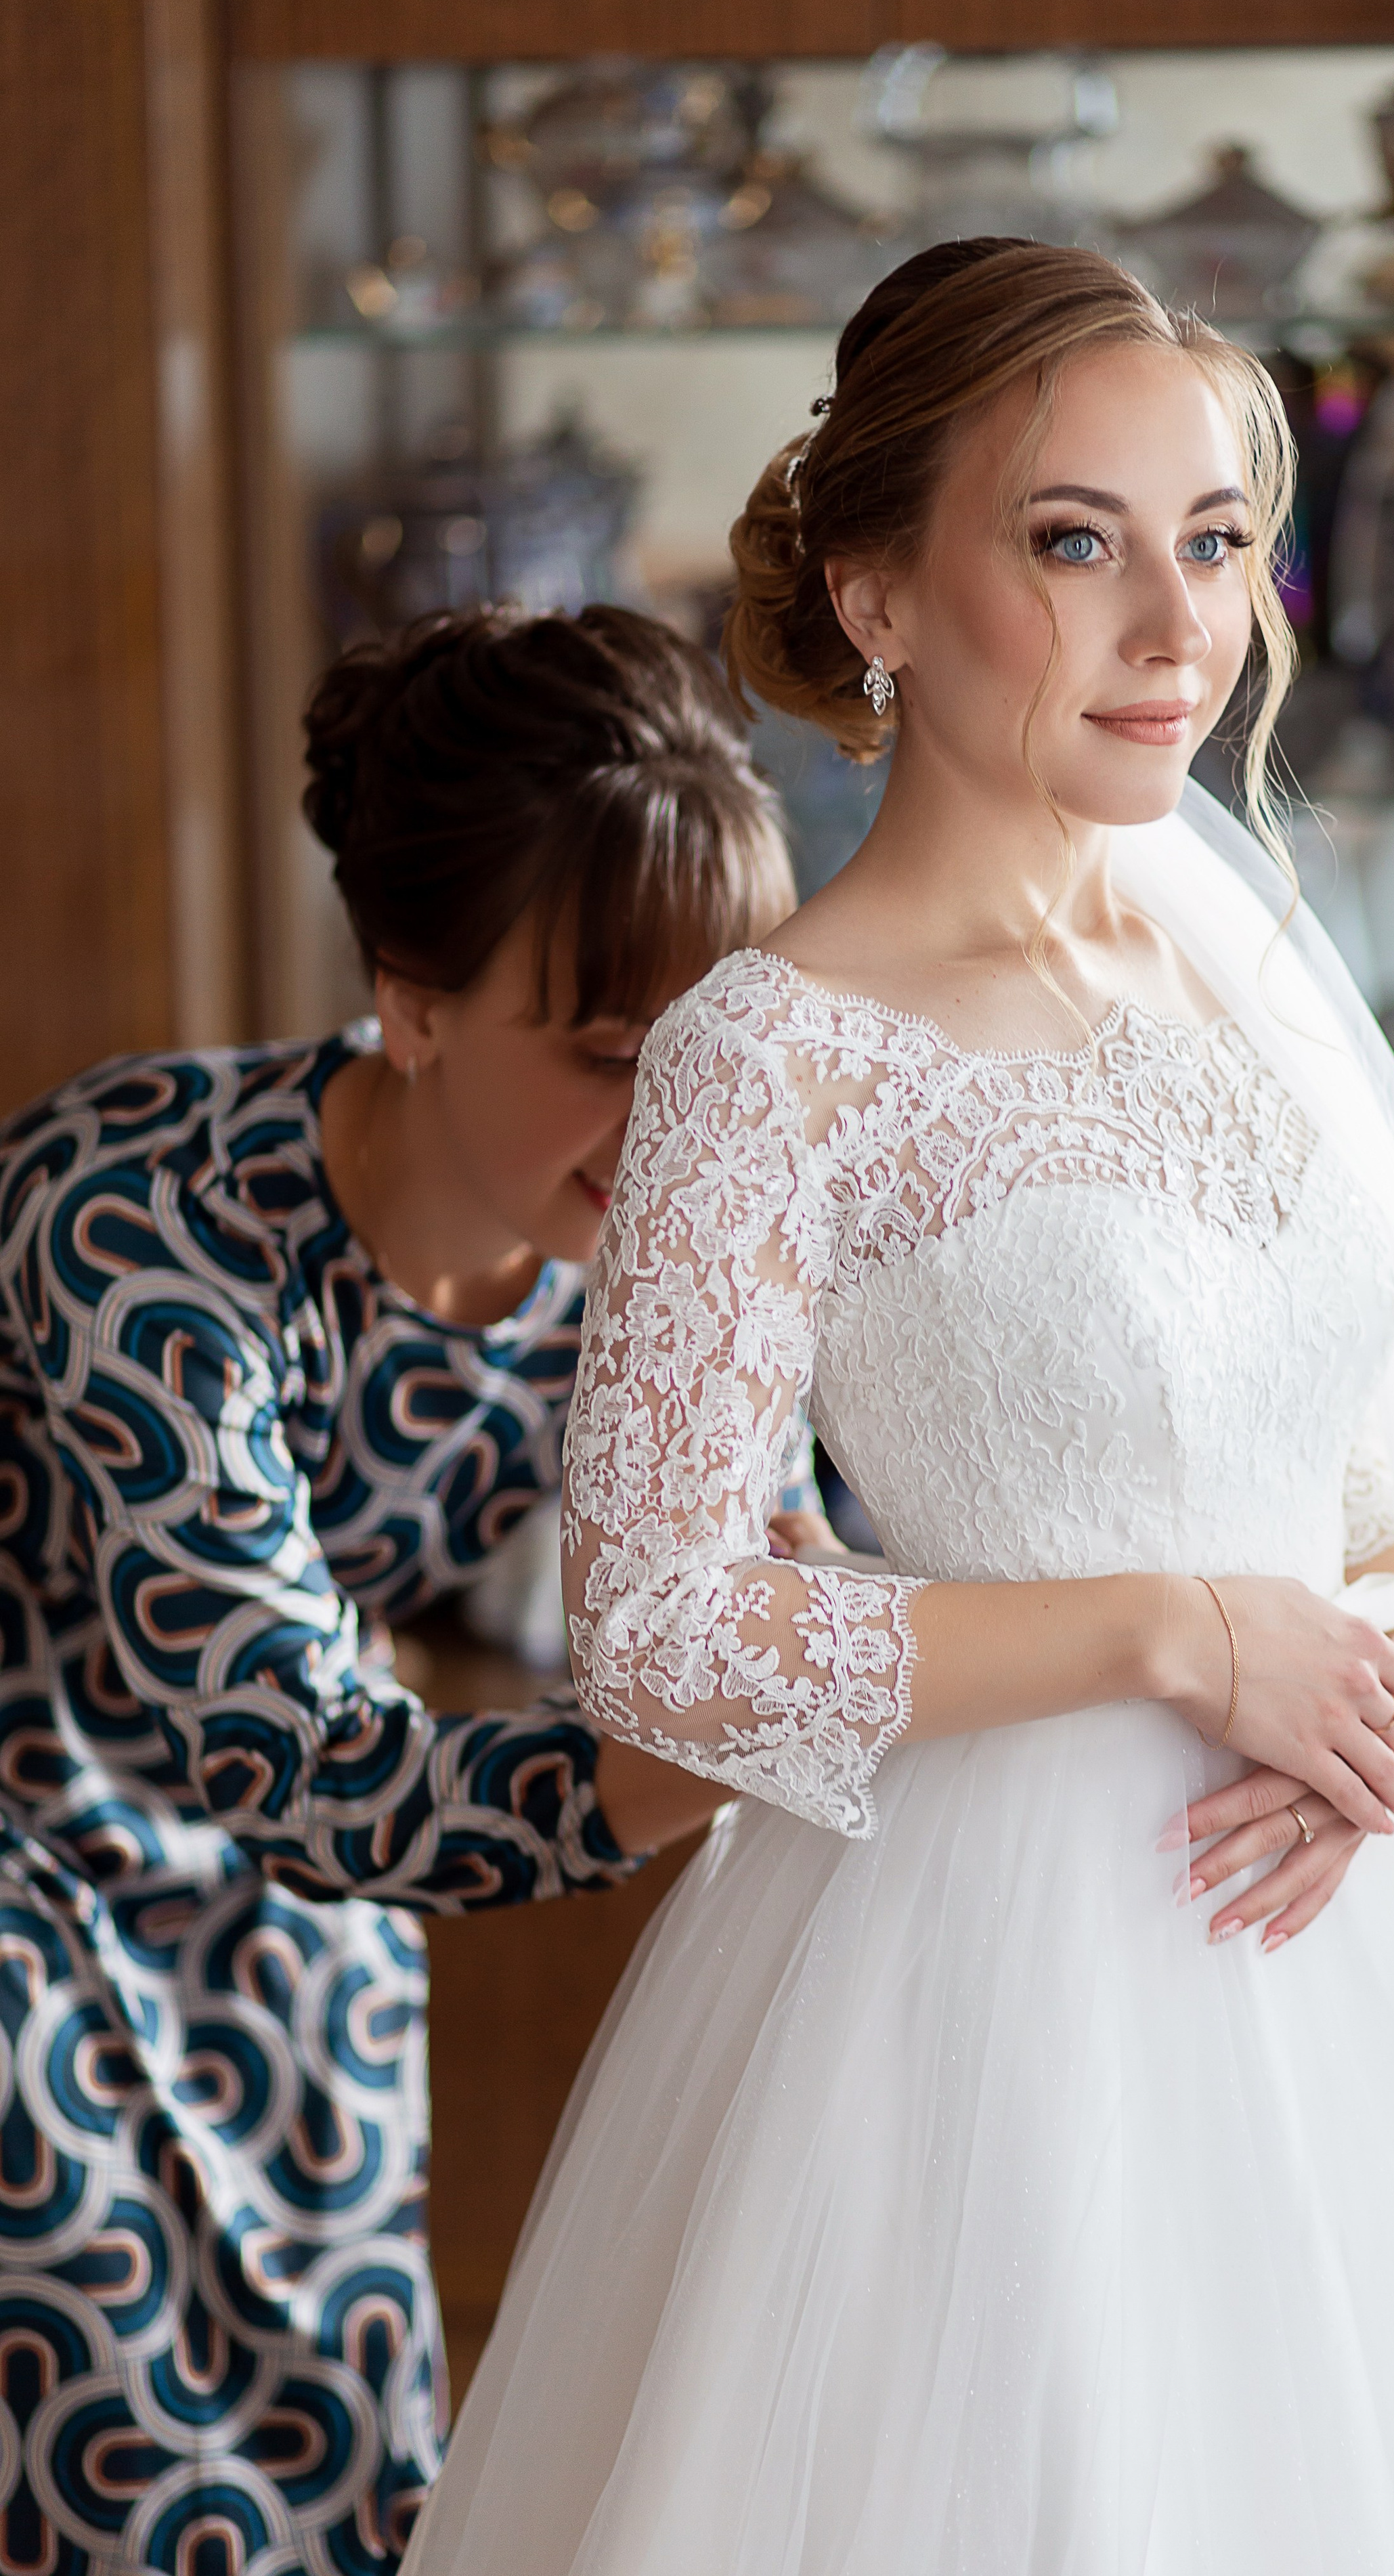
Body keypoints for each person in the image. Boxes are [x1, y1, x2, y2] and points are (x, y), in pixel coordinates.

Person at [406, 246, 1394, 2574]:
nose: (1175, 626)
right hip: (969, 2003)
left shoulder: (1248, 966)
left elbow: (1385, 1470)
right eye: (1074, 541)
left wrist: (1357, 1707)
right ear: (877, 587)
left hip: (1310, 1946)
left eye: (1214, 540)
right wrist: (1187, 1634)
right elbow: (665, 1640)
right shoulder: (764, 1057)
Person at [0, 605, 812, 2575]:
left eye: (719, 1058)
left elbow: (788, 1554)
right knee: (125, 2480)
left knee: (367, 2499)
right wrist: (767, 1721)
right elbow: (317, 1766)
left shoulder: (664, 1239)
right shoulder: (143, 1225)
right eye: (611, 1053)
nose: (682, 1131)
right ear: (410, 996)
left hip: (297, 1911)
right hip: (42, 1863)